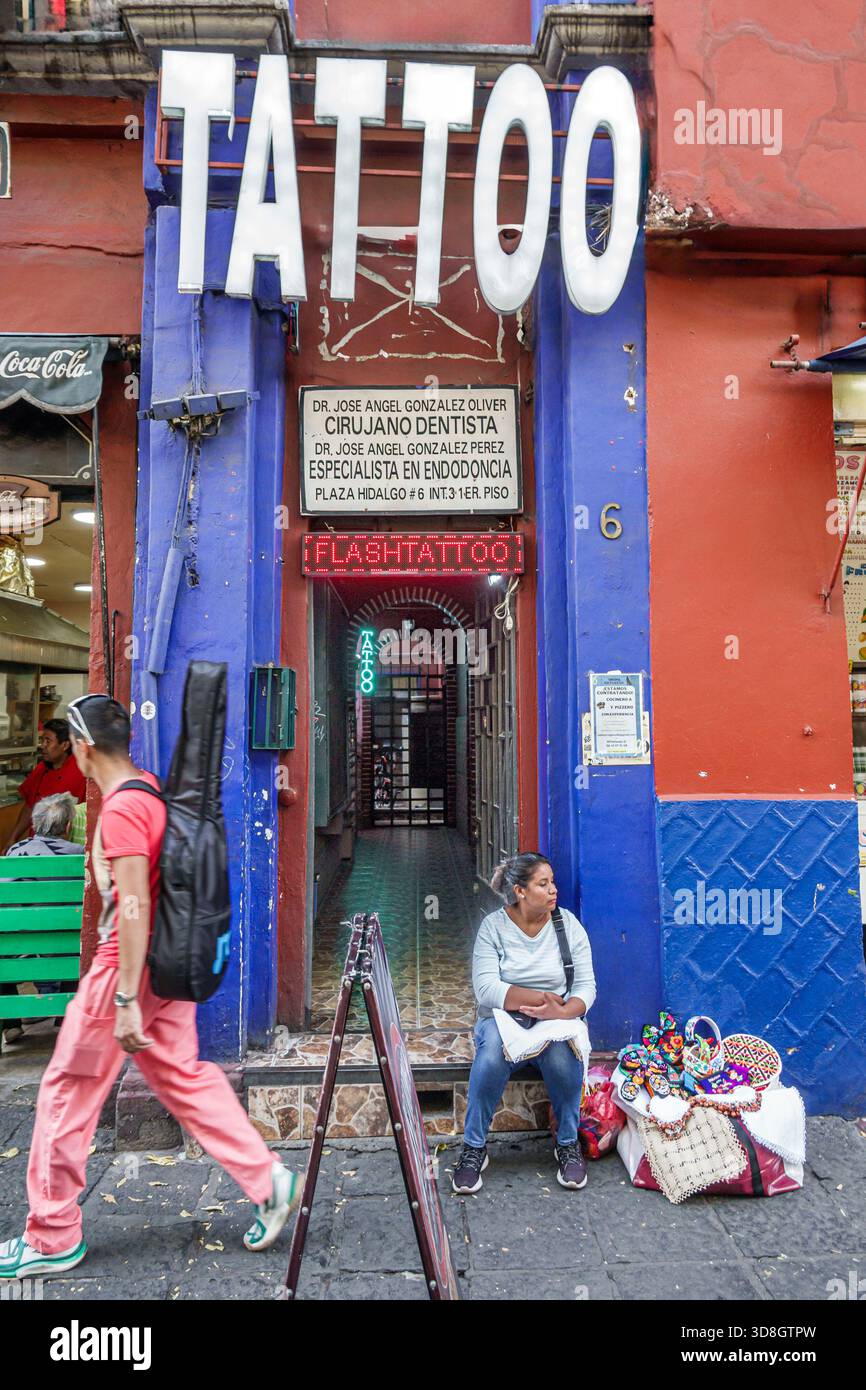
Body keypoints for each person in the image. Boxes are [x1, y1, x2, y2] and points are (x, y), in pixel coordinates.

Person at [0, 693, 300, 1281]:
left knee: (66, 1093)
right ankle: (268, 1180)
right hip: (165, 964)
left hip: (126, 968)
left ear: (83, 749)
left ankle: (52, 1233)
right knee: (184, 1079)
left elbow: (132, 905)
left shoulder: (120, 811)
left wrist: (126, 999)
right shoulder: (150, 788)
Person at [452, 852, 596, 1197]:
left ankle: (566, 1144)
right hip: (504, 1018)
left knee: (564, 1058)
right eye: (542, 884)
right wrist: (542, 999)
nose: (553, 891)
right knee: (489, 1059)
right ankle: (474, 1148)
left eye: (552, 883)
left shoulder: (567, 925)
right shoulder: (494, 928)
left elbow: (586, 987)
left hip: (555, 1021)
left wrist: (560, 1012)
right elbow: (486, 989)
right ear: (520, 891)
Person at [1, 792, 84, 1046]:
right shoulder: (79, 855)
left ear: (34, 826)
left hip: (19, 944)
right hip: (66, 945)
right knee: (75, 940)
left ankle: (12, 1023)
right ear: (68, 827)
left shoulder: (13, 853)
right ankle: (65, 1016)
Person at [1, 718, 86, 855]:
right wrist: (13, 838)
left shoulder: (82, 771)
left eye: (48, 741)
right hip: (38, 845)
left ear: (64, 745)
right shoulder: (41, 769)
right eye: (42, 741)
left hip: (68, 848)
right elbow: (29, 807)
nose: (42, 745)